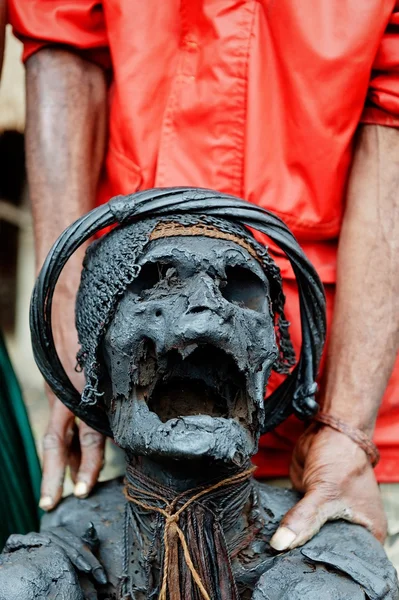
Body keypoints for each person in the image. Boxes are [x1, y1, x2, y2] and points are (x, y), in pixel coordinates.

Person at [8, 1, 399, 555]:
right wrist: (73, 337)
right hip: (125, 396)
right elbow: (61, 32)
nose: (200, 320)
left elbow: (394, 106)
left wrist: (347, 427)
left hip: (342, 424)